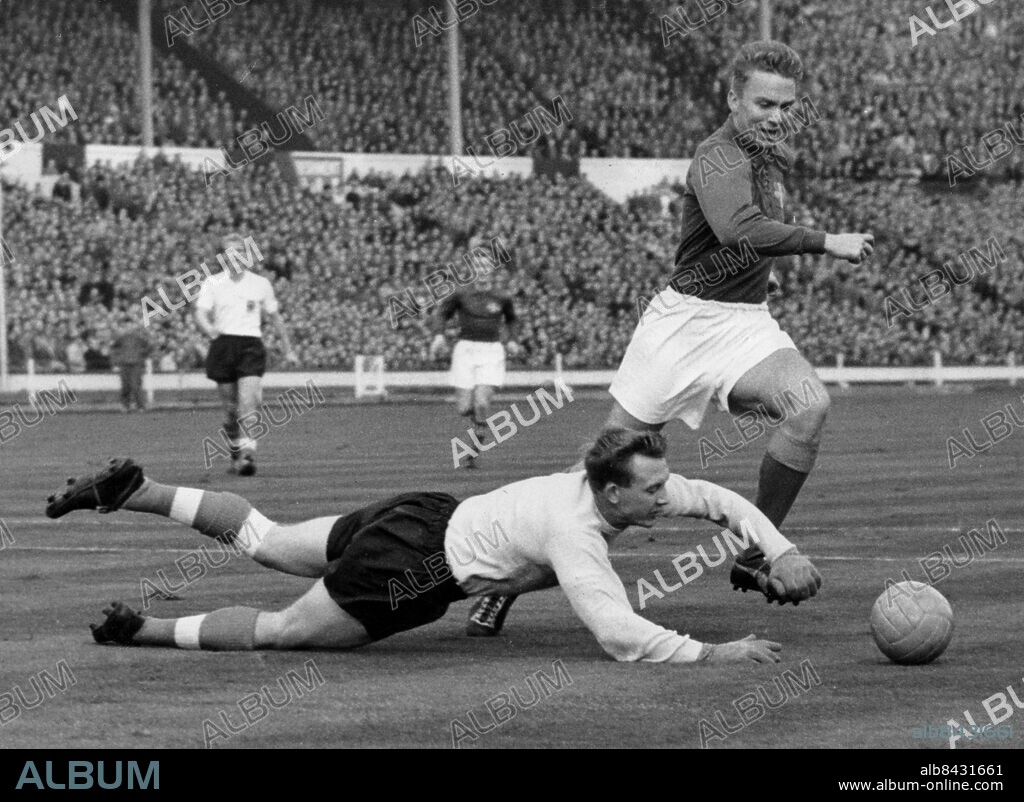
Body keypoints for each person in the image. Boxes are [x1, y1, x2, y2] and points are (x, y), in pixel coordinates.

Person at [468, 41, 872, 635]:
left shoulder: (770, 157)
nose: (775, 115)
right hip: (679, 331)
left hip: (744, 323)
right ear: (733, 98)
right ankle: (502, 584)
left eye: (785, 105)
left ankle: (758, 549)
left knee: (809, 407)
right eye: (763, 103)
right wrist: (825, 240)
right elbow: (737, 228)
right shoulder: (715, 155)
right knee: (602, 491)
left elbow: (741, 242)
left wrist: (765, 277)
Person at [45, 429, 820, 663]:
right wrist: (714, 654)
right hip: (415, 567)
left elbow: (714, 499)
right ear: (615, 494)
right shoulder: (575, 531)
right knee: (287, 632)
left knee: (269, 538)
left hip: (424, 511)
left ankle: (137, 492)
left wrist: (777, 547)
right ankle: (141, 631)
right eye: (655, 489)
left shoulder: (607, 489)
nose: (667, 494)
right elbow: (617, 632)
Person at [195, 233, 298, 476]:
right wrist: (209, 329)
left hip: (251, 345)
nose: (236, 257)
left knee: (247, 403)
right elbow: (200, 312)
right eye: (230, 253)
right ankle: (235, 454)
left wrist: (288, 350)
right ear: (223, 258)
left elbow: (275, 318)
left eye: (240, 252)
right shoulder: (212, 283)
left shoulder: (260, 284)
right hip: (223, 345)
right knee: (231, 410)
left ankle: (248, 456)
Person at [429, 271, 519, 469]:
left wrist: (512, 339)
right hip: (466, 350)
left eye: (487, 269)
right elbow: (442, 313)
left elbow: (512, 319)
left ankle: (475, 447)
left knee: (481, 401)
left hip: (491, 351)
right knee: (463, 408)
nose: (483, 274)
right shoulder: (461, 294)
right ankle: (479, 422)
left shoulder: (502, 297)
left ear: (492, 273)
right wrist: (438, 335)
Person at [110, 318, 152, 412]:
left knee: (135, 385)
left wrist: (141, 355)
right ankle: (125, 406)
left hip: (136, 364)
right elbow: (113, 350)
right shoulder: (120, 338)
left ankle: (140, 406)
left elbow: (149, 347)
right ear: (124, 327)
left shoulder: (139, 338)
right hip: (124, 364)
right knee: (125, 386)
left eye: (130, 326)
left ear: (134, 327)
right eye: (127, 326)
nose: (129, 328)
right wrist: (115, 362)